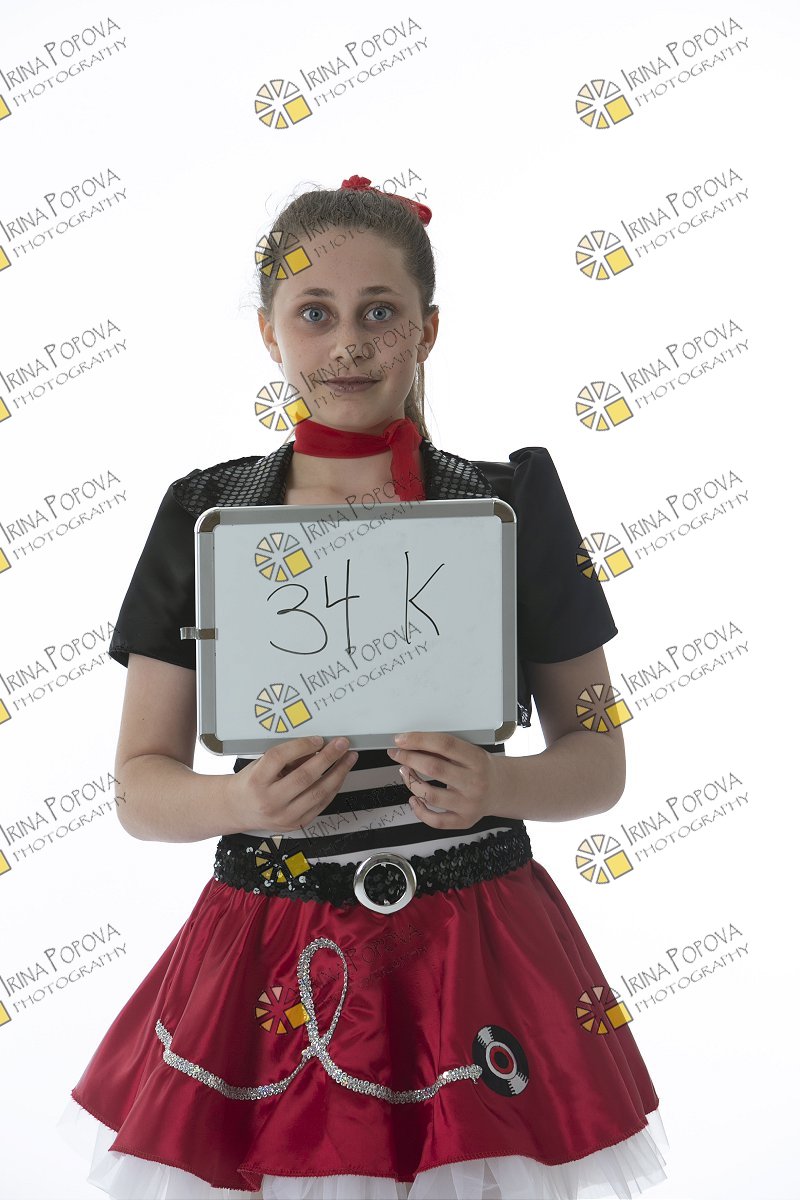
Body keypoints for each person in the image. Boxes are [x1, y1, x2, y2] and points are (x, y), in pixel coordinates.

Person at [56, 175, 669, 1199]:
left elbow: (599, 759)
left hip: (474, 946)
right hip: (273, 946)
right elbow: (138, 786)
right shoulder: (207, 516)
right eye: (315, 313)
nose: (348, 342)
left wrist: (498, 784)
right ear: (269, 332)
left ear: (427, 329)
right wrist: (238, 803)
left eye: (379, 312)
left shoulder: (509, 507)